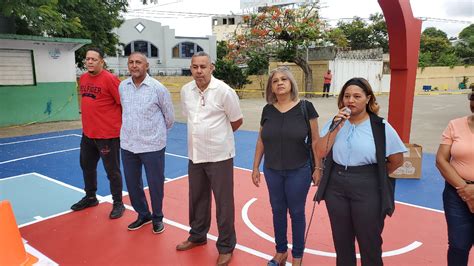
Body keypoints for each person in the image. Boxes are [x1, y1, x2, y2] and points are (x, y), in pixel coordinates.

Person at [314, 77, 407, 266]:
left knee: (369, 240)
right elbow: (320, 151)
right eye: (347, 96)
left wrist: (372, 176)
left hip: (368, 186)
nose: (351, 100)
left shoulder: (381, 126)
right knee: (341, 240)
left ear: (368, 99)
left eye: (357, 96)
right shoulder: (336, 123)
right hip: (336, 185)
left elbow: (397, 160)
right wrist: (337, 126)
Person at [177, 51, 243, 266]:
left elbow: (236, 121)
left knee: (224, 203)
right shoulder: (186, 90)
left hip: (219, 156)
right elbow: (191, 119)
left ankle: (225, 246)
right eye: (194, 67)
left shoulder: (224, 91)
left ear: (212, 67)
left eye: (203, 67)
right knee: (197, 198)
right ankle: (197, 235)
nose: (198, 71)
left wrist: (218, 137)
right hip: (195, 154)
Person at [251, 67, 321, 266]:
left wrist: (318, 168)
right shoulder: (268, 110)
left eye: (284, 79)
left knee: (297, 212)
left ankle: (297, 257)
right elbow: (261, 140)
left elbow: (315, 141)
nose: (279, 83)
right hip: (272, 170)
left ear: (291, 83)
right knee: (277, 211)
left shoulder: (306, 107)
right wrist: (256, 167)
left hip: (299, 170)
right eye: (275, 81)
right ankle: (281, 252)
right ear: (271, 88)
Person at [119, 52, 175, 234]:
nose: (134, 66)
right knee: (132, 184)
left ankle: (157, 217)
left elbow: (170, 117)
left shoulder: (157, 88)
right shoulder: (123, 87)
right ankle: (143, 214)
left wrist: (154, 133)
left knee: (155, 183)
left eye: (138, 62)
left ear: (147, 65)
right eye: (131, 62)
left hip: (152, 145)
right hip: (128, 145)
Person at [71, 47, 125, 219]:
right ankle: (90, 197)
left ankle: (118, 203)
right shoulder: (84, 78)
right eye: (87, 59)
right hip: (88, 134)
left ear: (102, 61)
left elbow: (123, 104)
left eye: (94, 59)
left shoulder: (110, 80)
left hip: (107, 135)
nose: (90, 62)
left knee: (112, 171)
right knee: (86, 166)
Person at [435, 88, 474, 266]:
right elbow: (441, 160)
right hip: (456, 195)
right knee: (458, 245)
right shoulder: (455, 125)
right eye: (473, 97)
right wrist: (465, 190)